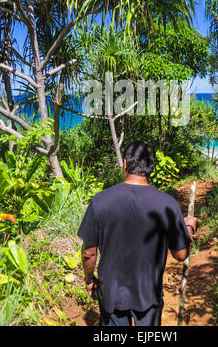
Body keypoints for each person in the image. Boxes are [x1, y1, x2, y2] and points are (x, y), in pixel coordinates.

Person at [77, 140, 198, 327]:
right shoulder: (167, 204)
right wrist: (188, 228)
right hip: (149, 296)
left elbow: (89, 252)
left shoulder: (100, 201)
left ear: (125, 164)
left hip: (111, 295)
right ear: (151, 167)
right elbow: (181, 254)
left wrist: (89, 279)